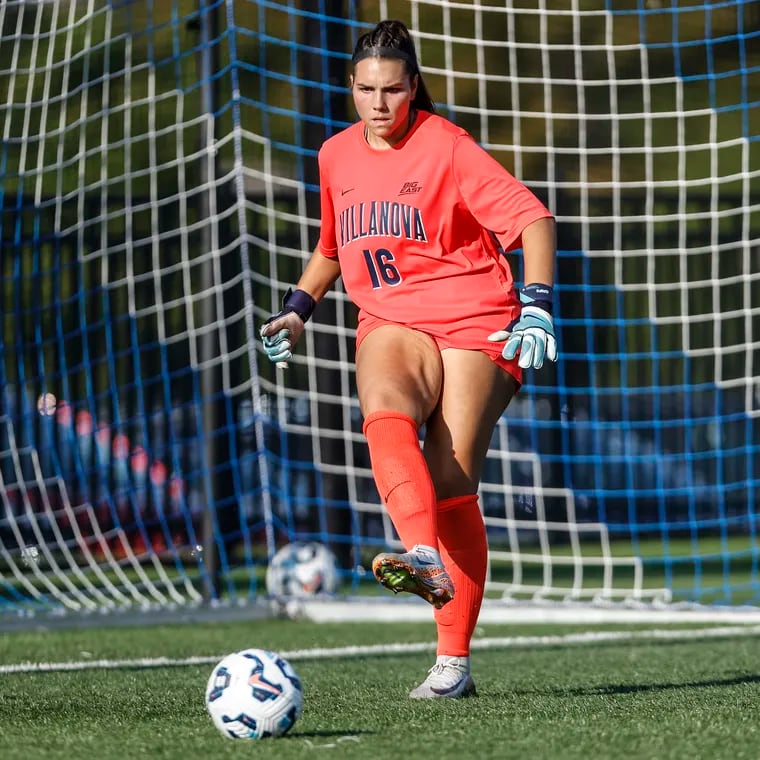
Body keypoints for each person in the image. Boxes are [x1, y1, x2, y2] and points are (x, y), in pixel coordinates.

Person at [260, 19, 557, 699]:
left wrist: (537, 304)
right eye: (366, 89)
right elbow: (334, 246)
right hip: (392, 316)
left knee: (451, 478)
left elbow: (533, 220)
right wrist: (298, 308)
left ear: (413, 87)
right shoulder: (335, 155)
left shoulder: (447, 146)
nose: (379, 103)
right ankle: (422, 555)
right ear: (351, 89)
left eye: (393, 89)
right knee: (383, 403)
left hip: (476, 317)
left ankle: (452, 663)